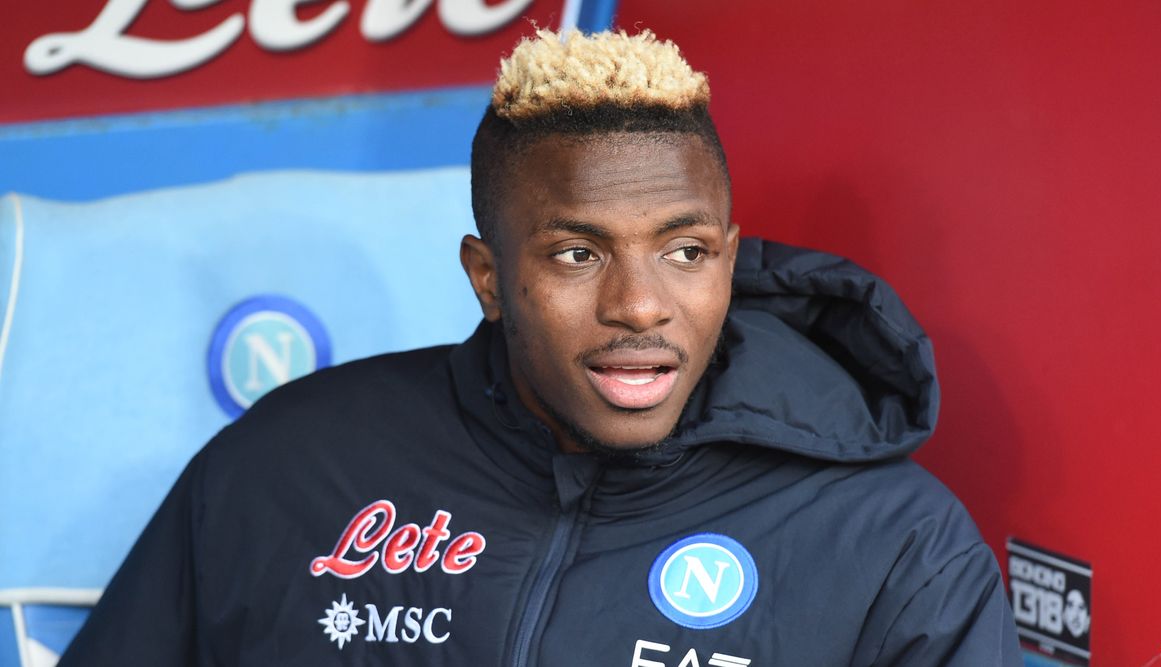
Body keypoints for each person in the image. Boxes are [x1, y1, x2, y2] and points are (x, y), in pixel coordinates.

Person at [61, 29, 1021, 665]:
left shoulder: (895, 544)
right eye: (577, 253)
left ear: (728, 260)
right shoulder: (289, 464)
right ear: (487, 276)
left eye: (685, 252)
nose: (641, 305)